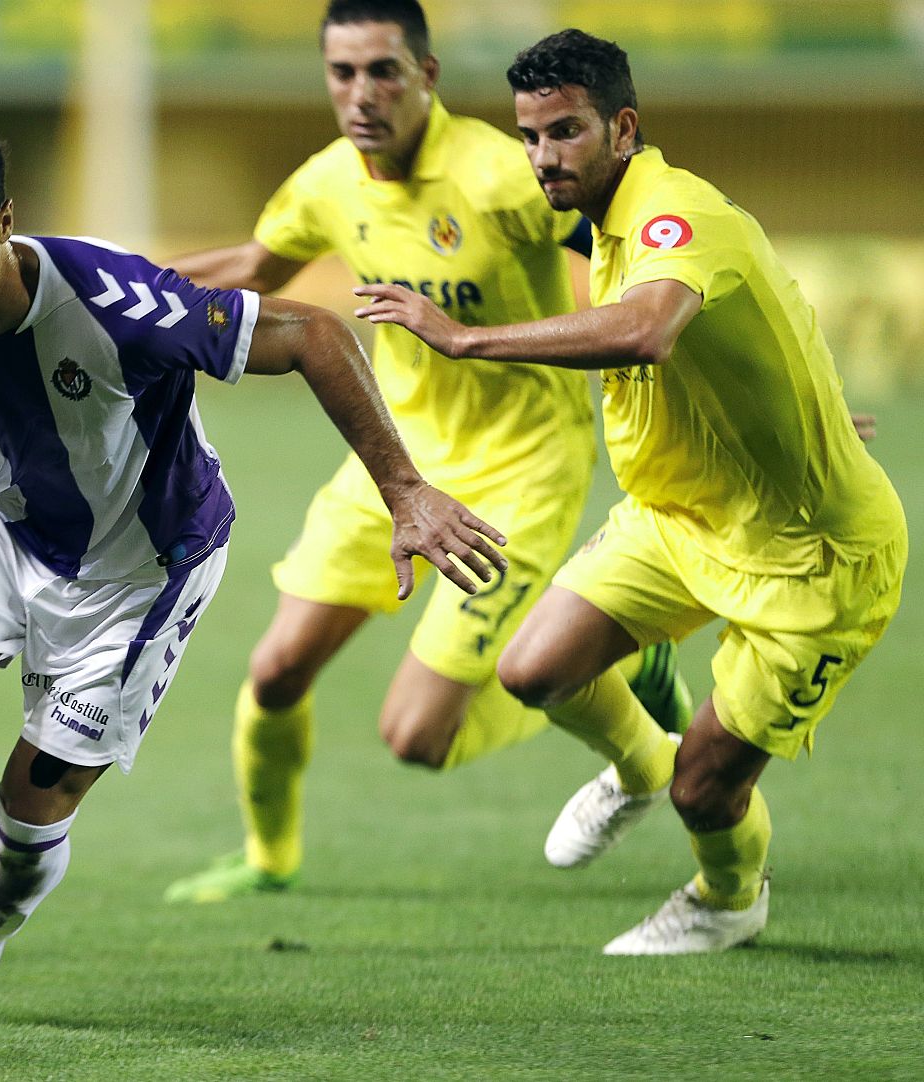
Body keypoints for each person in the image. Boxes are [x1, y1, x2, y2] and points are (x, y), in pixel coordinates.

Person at [0, 112, 507, 1025]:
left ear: (3, 222)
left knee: (32, 814)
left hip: (147, 569)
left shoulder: (116, 304)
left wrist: (405, 490)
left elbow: (312, 334)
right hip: (3, 526)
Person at [356, 29, 906, 953]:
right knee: (533, 669)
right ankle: (637, 767)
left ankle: (727, 899)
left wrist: (463, 338)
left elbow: (649, 330)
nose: (542, 158)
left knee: (709, 787)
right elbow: (769, 309)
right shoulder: (610, 219)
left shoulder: (673, 212)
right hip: (681, 519)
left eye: (564, 133)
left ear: (624, 126)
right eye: (529, 137)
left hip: (814, 559)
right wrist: (812, 409)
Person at [162, 0, 688, 906]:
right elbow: (256, 268)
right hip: (395, 461)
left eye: (383, 72)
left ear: (427, 75)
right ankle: (269, 856)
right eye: (342, 73)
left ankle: (623, 669)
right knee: (276, 670)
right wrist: (107, 287)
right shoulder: (328, 180)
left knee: (417, 738)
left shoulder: (500, 175)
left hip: (523, 466)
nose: (360, 93)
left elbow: (638, 254)